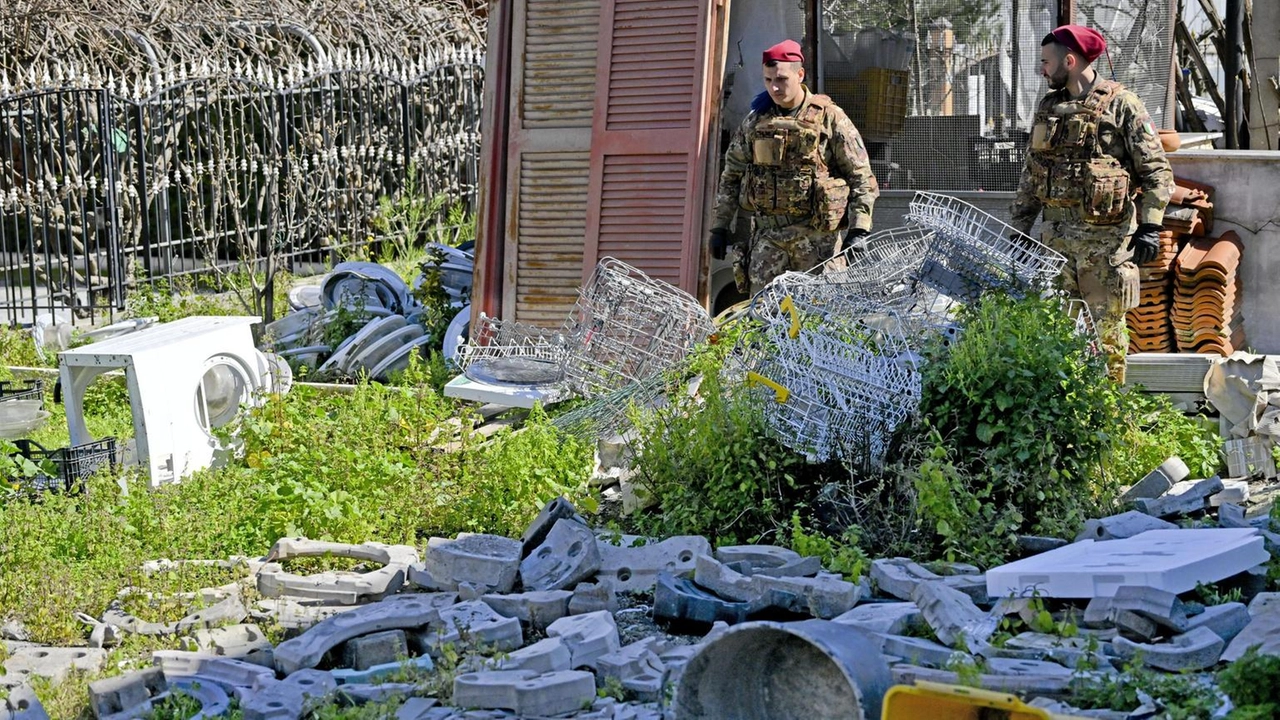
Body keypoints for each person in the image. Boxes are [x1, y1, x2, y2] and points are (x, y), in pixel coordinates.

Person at [1010, 24, 1174, 382]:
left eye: (1046, 63)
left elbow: (1157, 171)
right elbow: (1032, 175)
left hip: (1104, 247)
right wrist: (1019, 230)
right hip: (1055, 245)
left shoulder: (1122, 105)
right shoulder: (1049, 106)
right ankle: (1067, 414)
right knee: (1058, 335)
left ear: (1069, 61)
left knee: (1108, 337)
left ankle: (1109, 415)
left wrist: (1150, 225)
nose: (1042, 69)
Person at [708, 39, 879, 293]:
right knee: (764, 323)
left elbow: (861, 176)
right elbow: (731, 174)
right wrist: (719, 225)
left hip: (817, 244)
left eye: (781, 79)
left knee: (818, 323)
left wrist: (859, 229)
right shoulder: (755, 121)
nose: (774, 88)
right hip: (768, 245)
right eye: (767, 80)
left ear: (800, 74)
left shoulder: (829, 117)